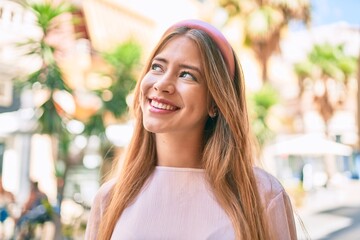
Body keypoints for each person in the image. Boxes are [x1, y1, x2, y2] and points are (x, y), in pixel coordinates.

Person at [85, 19, 298, 240]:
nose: (162, 84)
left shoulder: (262, 196)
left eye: (187, 74)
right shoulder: (109, 199)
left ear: (215, 102)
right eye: (157, 67)